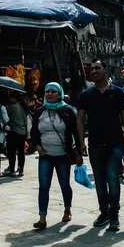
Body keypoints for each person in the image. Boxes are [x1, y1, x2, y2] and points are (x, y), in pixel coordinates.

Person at [77, 59, 124, 230]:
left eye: (97, 68)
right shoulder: (86, 95)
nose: (94, 71)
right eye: (92, 69)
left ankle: (114, 215)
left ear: (106, 70)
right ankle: (104, 212)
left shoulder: (118, 92)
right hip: (95, 144)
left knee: (112, 177)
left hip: (115, 143)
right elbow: (80, 120)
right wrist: (81, 143)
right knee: (100, 181)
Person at [30, 82, 82, 229]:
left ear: (60, 94)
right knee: (43, 186)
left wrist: (79, 152)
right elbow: (34, 133)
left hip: (63, 155)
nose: (50, 94)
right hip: (45, 155)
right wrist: (37, 147)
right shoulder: (40, 111)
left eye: (53, 91)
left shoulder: (67, 111)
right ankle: (42, 218)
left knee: (64, 184)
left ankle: (67, 209)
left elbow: (75, 133)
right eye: (47, 91)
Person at [5, 91, 28, 177]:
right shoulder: (23, 107)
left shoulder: (10, 107)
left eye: (10, 97)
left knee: (12, 152)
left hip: (13, 132)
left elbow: (6, 118)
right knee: (21, 152)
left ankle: (12, 170)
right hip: (23, 133)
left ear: (14, 98)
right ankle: (21, 170)